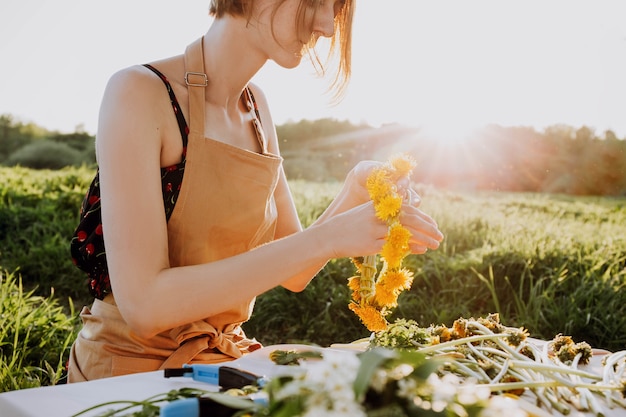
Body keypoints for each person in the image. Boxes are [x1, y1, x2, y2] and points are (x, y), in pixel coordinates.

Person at [68, 0, 444, 382]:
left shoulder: (257, 107)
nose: (328, 28)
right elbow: (144, 306)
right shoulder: (140, 92)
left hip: (220, 366)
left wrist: (354, 189)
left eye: (335, 9)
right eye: (315, 2)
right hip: (126, 374)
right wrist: (330, 237)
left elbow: (295, 271)